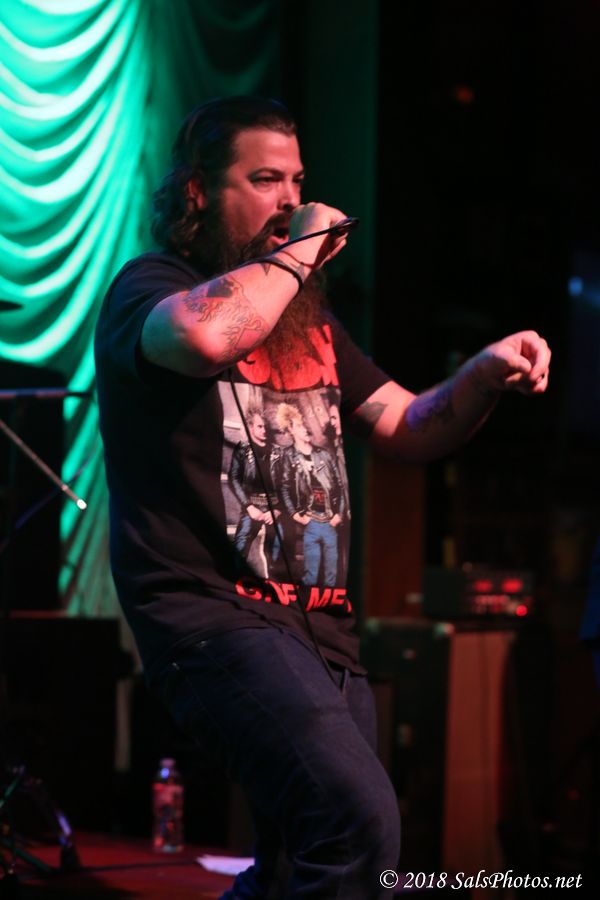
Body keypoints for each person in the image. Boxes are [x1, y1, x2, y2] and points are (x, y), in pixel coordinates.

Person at [94, 96, 551, 899]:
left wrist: (481, 375)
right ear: (198, 192)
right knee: (357, 824)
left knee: (300, 864)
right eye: (264, 180)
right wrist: (302, 248)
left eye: (297, 181)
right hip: (213, 619)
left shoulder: (309, 322)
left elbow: (406, 424)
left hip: (321, 633)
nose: (290, 201)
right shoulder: (152, 286)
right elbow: (202, 336)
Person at [275, 401, 343, 587]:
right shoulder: (289, 456)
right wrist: (295, 514)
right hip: (311, 521)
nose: (305, 429)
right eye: (299, 426)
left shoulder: (324, 454)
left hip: (329, 520)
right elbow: (284, 488)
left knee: (332, 577)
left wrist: (338, 514)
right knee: (310, 577)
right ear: (291, 430)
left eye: (304, 425)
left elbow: (339, 487)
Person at [229, 406, 283, 577]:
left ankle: (274, 583)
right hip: (252, 506)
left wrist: (277, 509)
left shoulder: (278, 452)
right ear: (250, 427)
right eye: (259, 426)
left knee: (278, 546)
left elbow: (286, 484)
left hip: (274, 506)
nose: (264, 430)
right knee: (240, 544)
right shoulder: (242, 449)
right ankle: (235, 580)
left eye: (265, 426)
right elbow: (233, 479)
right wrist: (249, 506)